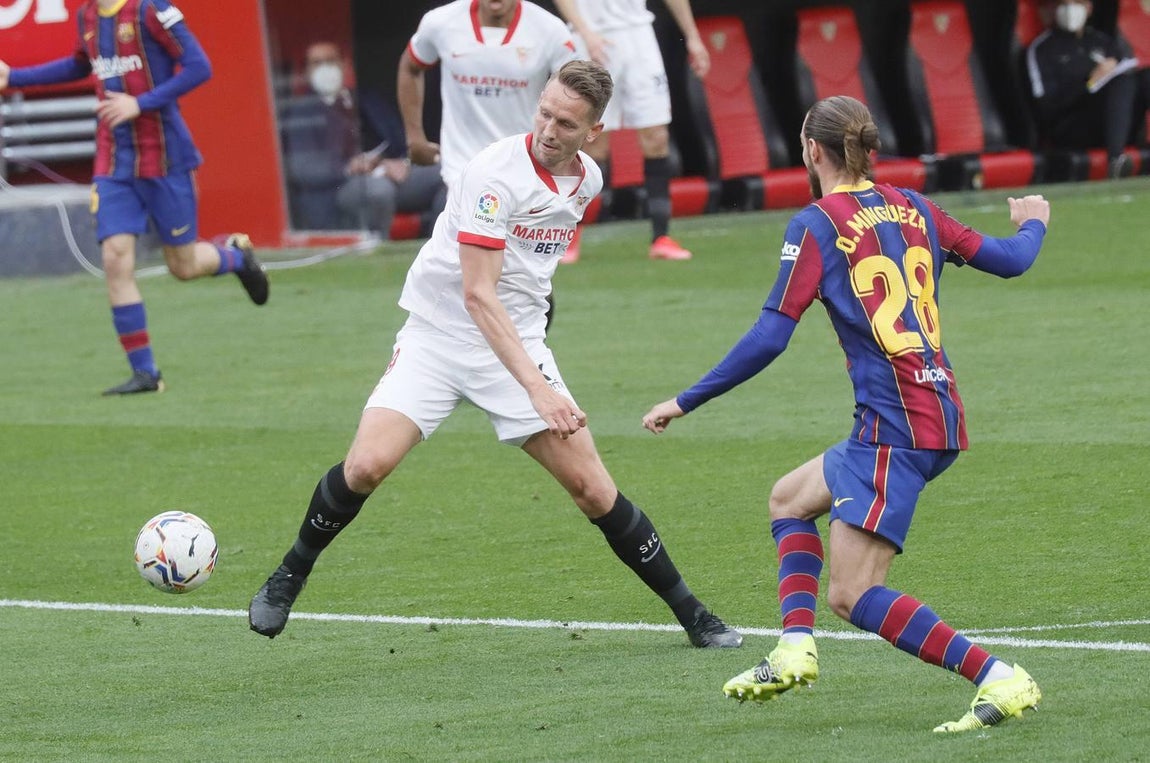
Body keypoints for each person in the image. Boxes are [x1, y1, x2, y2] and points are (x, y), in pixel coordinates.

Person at [248, 61, 741, 650]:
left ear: (594, 132)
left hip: (517, 343)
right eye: (545, 113)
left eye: (566, 123)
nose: (549, 129)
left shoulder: (588, 181)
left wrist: (536, 340)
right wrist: (538, 388)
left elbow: (532, 271)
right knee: (365, 467)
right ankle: (288, 575)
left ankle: (695, 616)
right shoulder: (491, 176)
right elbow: (479, 295)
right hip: (440, 335)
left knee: (593, 489)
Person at [642, 95, 1050, 731]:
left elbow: (770, 336)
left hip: (898, 429)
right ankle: (793, 649)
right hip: (926, 411)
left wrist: (685, 399)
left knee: (852, 593)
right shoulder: (914, 205)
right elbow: (1011, 259)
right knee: (789, 499)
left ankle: (999, 677)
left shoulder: (818, 223)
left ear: (811, 150)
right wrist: (1034, 223)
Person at [0, 0, 269, 395]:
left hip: (165, 158)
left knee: (184, 264)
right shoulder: (88, 15)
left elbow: (199, 66)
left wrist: (139, 103)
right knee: (115, 258)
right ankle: (146, 373)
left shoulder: (151, 11)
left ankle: (236, 256)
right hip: (114, 163)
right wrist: (14, 77)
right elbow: (80, 64)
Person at [398, 0, 578, 329]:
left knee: (515, 280)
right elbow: (410, 66)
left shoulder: (549, 30)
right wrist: (414, 138)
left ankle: (526, 345)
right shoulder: (441, 23)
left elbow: (578, 95)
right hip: (464, 172)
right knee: (469, 274)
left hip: (525, 171)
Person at [552, 0, 710, 263]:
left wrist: (693, 36)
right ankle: (569, 235)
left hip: (639, 36)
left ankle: (661, 236)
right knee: (592, 143)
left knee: (657, 137)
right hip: (591, 35)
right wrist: (585, 32)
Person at [280, 41, 444, 238]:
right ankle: (376, 252)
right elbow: (302, 169)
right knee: (378, 191)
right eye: (317, 63)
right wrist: (350, 166)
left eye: (330, 61)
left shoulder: (367, 99)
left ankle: (435, 246)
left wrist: (403, 162)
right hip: (343, 186)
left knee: (446, 174)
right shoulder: (302, 112)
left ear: (344, 65)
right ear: (307, 72)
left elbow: (400, 139)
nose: (325, 69)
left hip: (390, 173)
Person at [1026, 0, 1145, 179]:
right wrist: (1090, 84)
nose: (1070, 8)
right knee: (1120, 83)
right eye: (1064, 3)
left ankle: (1118, 152)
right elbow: (1046, 107)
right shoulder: (1042, 49)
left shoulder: (1102, 42)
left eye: (1076, 2)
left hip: (1115, 120)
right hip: (1072, 126)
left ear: (1088, 8)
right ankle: (1115, 161)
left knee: (1139, 78)